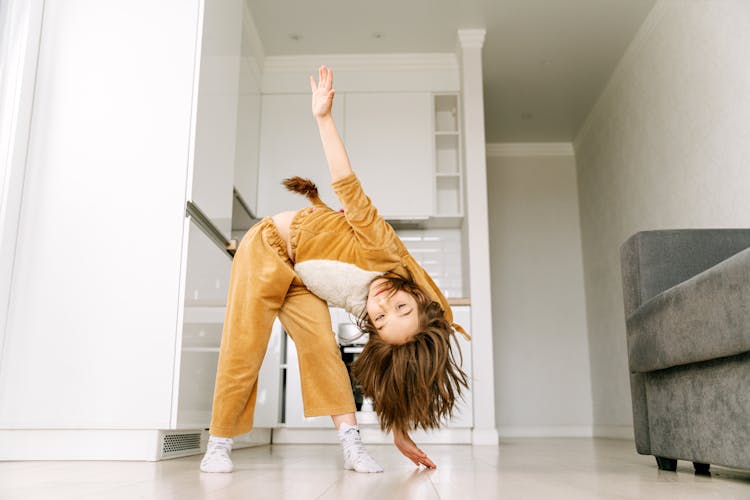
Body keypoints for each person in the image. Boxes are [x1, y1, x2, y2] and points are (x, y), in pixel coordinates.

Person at [200, 65, 471, 474]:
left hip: (301, 281)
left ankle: (352, 445)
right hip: (266, 247)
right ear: (416, 295)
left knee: (323, 350)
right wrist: (324, 118)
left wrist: (398, 429)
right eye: (399, 306)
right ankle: (219, 443)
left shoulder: (380, 311)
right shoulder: (382, 248)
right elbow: (347, 184)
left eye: (380, 318)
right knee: (246, 343)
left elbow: (406, 366)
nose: (382, 305)